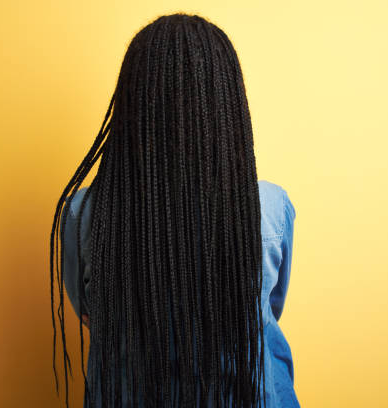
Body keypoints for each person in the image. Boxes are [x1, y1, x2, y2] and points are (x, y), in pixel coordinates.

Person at [49, 12, 301, 408]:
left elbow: (89, 315)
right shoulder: (268, 206)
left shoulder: (84, 213)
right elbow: (270, 308)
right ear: (226, 104)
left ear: (133, 106)